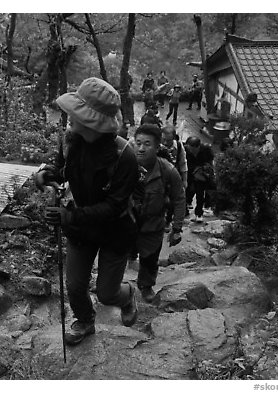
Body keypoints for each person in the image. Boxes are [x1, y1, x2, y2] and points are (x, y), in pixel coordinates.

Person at [34, 77, 142, 346]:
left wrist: (70, 216)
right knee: (74, 285)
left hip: (115, 230)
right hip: (81, 227)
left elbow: (114, 206)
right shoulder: (71, 140)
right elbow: (62, 168)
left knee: (106, 293)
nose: (69, 117)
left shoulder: (124, 156)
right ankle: (84, 320)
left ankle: (128, 295)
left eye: (76, 113)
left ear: (92, 121)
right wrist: (47, 175)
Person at [127, 124, 185, 302]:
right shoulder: (124, 165)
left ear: (157, 147)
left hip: (153, 224)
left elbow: (179, 199)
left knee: (150, 257)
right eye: (138, 143)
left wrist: (176, 228)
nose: (141, 148)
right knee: (117, 254)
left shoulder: (168, 170)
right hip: (126, 222)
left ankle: (146, 285)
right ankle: (113, 286)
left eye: (147, 144)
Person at [160, 125, 188, 231]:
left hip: (173, 178)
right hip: (160, 178)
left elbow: (183, 164)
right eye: (164, 140)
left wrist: (185, 180)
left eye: (168, 140)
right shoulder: (158, 146)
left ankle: (168, 221)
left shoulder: (179, 147)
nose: (166, 143)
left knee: (172, 201)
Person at [184, 136, 215, 222]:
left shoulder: (206, 150)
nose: (190, 150)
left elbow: (210, 161)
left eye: (192, 148)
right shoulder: (186, 150)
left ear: (197, 147)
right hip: (190, 173)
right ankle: (185, 210)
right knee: (188, 192)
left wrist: (204, 169)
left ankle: (199, 213)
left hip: (201, 174)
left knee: (200, 194)